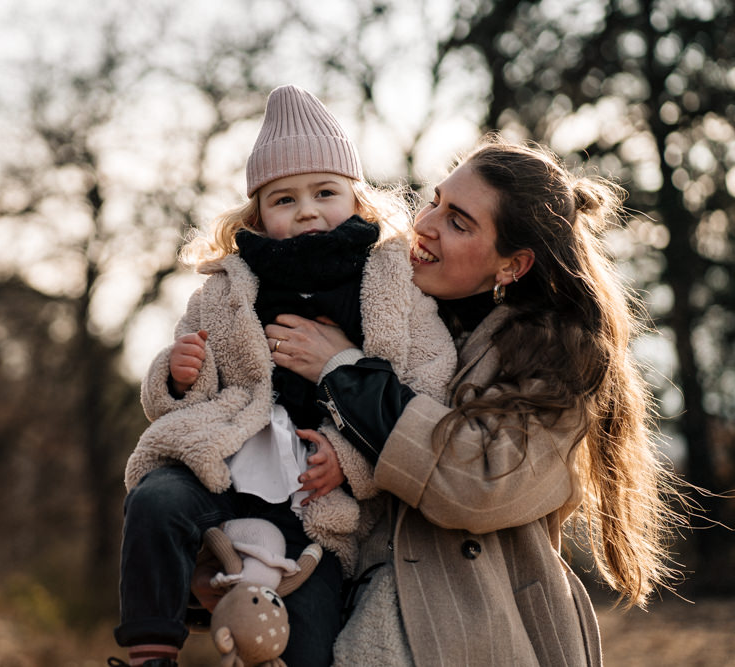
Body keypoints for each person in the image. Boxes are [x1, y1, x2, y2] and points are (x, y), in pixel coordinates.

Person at [264, 136, 684, 665]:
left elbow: (480, 484)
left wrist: (346, 372)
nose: (426, 223)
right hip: (359, 626)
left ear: (513, 265)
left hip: (490, 638)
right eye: (436, 200)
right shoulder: (390, 317)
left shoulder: (556, 361)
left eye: (459, 222)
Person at [111, 85, 456, 666]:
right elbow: (185, 390)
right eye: (284, 199)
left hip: (311, 501)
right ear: (258, 215)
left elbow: (427, 386)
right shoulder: (227, 287)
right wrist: (176, 376)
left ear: (357, 197)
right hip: (221, 467)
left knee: (309, 629)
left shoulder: (391, 282)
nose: (307, 211)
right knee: (155, 500)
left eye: (325, 192)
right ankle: (151, 653)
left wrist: (347, 459)